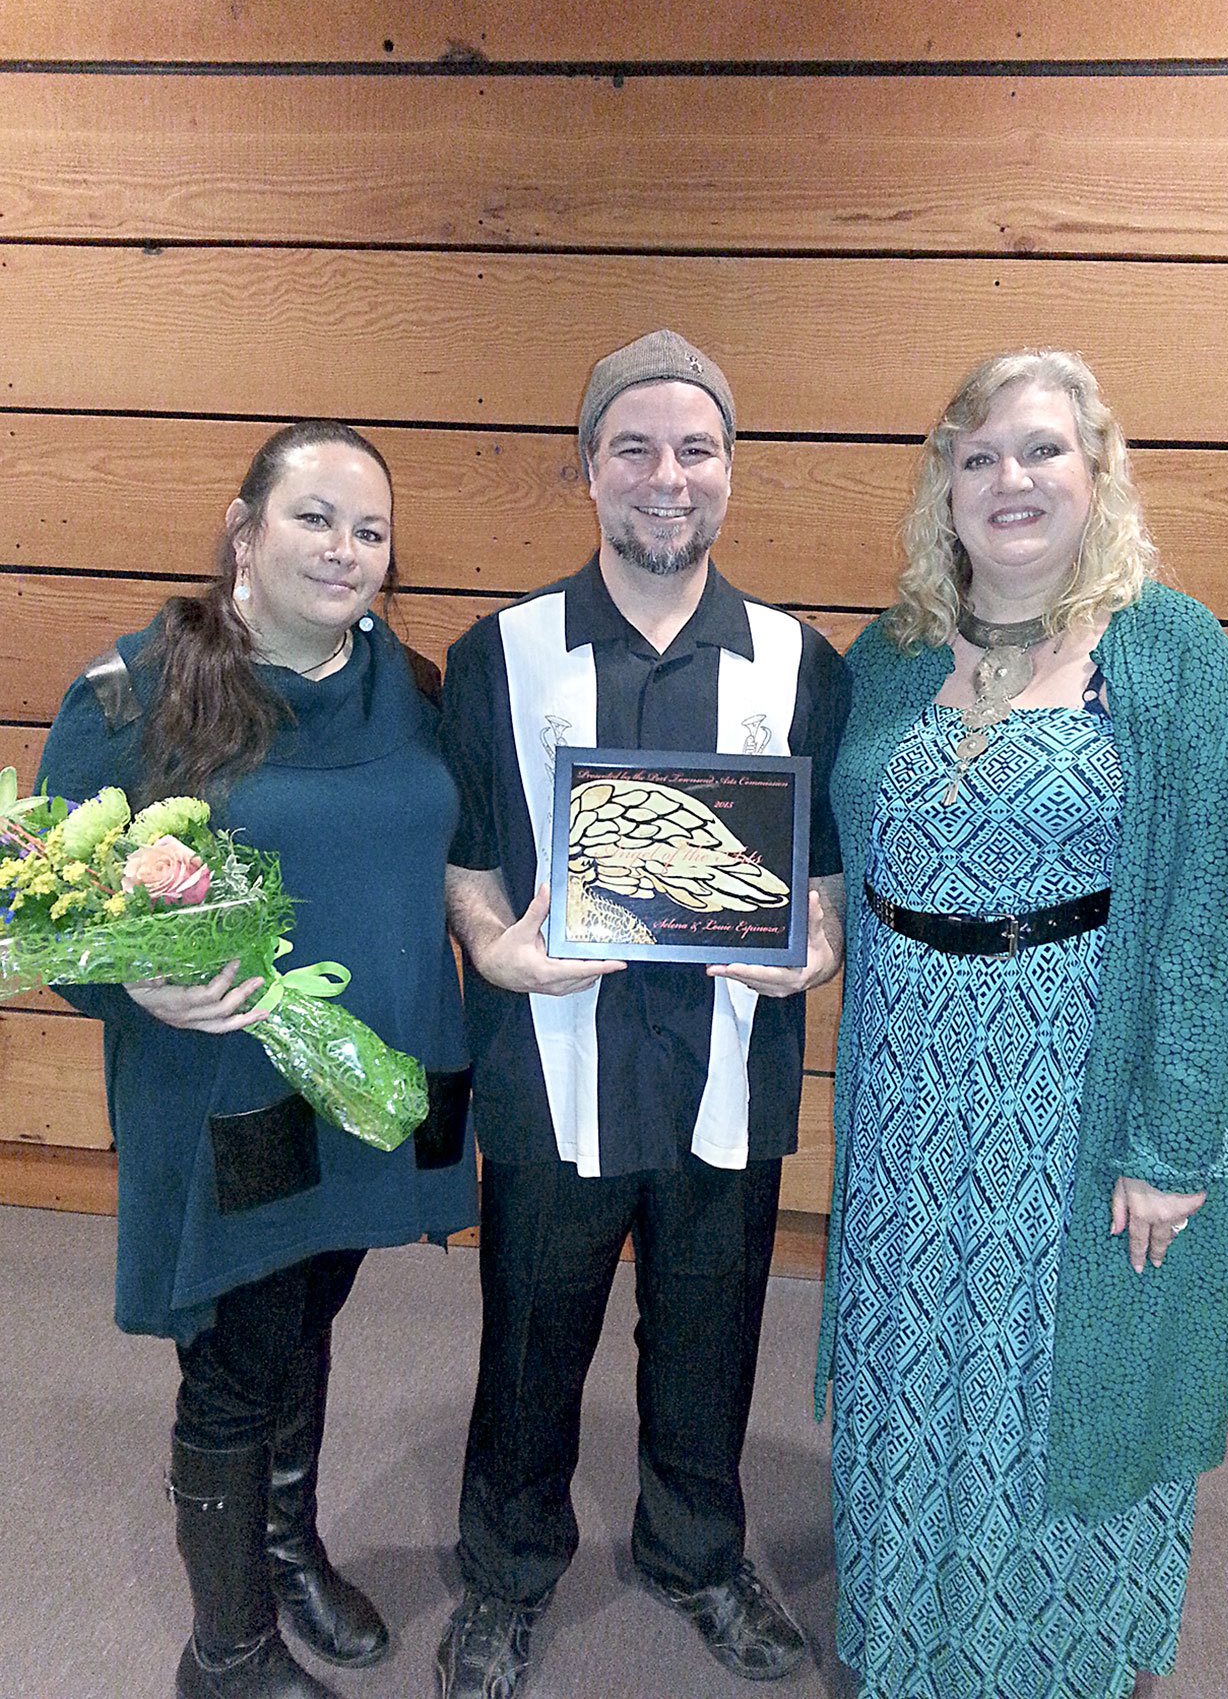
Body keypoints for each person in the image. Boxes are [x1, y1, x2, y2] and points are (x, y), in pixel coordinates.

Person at [816, 350, 1228, 1698]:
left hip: (1076, 1089)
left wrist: (1174, 1142)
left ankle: (1065, 1658)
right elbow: (842, 850)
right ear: (944, 484)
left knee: (1051, 1380)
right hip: (907, 1088)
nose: (1010, 480)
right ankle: (918, 1645)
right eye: (979, 456)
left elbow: (1208, 910)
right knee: (917, 1364)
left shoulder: (1171, 652)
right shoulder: (892, 654)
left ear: (1097, 474)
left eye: (1042, 452)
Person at [435, 330, 851, 1697]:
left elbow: (826, 878)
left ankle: (695, 1546)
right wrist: (493, 950)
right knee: (531, 1326)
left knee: (712, 1324)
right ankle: (504, 1570)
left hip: (731, 1066)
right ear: (587, 469)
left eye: (696, 448)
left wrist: (818, 946)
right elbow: (473, 858)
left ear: (733, 471)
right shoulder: (497, 653)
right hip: (557, 1065)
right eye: (635, 448)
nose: (666, 477)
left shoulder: (805, 664)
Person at [37, 420, 477, 1699]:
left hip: (368, 1078)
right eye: (316, 518)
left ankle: (284, 1547)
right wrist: (134, 982)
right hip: (226, 1091)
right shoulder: (132, 695)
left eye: (371, 530)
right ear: (244, 532)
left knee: (309, 1313)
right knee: (239, 1353)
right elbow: (51, 908)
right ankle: (220, 1654)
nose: (346, 550)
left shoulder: (415, 688)